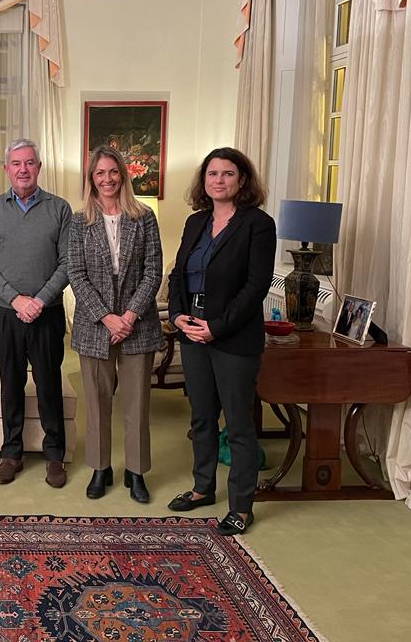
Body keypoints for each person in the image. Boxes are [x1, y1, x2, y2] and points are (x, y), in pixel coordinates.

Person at [166, 147, 276, 536]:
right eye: (212, 173)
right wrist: (177, 316)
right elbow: (177, 274)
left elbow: (256, 287)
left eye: (227, 174)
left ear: (242, 180)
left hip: (233, 337)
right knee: (201, 417)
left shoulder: (258, 224)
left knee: (239, 422)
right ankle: (202, 488)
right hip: (192, 331)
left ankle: (241, 506)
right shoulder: (196, 221)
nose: (219, 180)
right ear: (204, 180)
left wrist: (216, 327)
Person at [68, 146, 163, 503]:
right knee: (97, 403)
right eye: (99, 173)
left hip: (138, 324)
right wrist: (106, 317)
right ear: (91, 179)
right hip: (95, 326)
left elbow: (153, 271)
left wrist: (129, 316)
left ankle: (136, 472)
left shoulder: (144, 217)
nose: (107, 179)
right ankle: (100, 467)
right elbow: (76, 274)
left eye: (112, 172)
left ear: (122, 175)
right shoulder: (79, 221)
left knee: (136, 405)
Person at [0, 138, 72, 488]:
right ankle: (11, 453)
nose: (23, 169)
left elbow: (67, 262)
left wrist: (40, 300)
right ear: (6, 169)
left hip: (47, 313)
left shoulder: (59, 209)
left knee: (48, 383)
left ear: (39, 168)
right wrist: (16, 299)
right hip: (5, 312)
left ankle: (54, 455)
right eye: (16, 163)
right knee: (11, 382)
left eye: (29, 162)